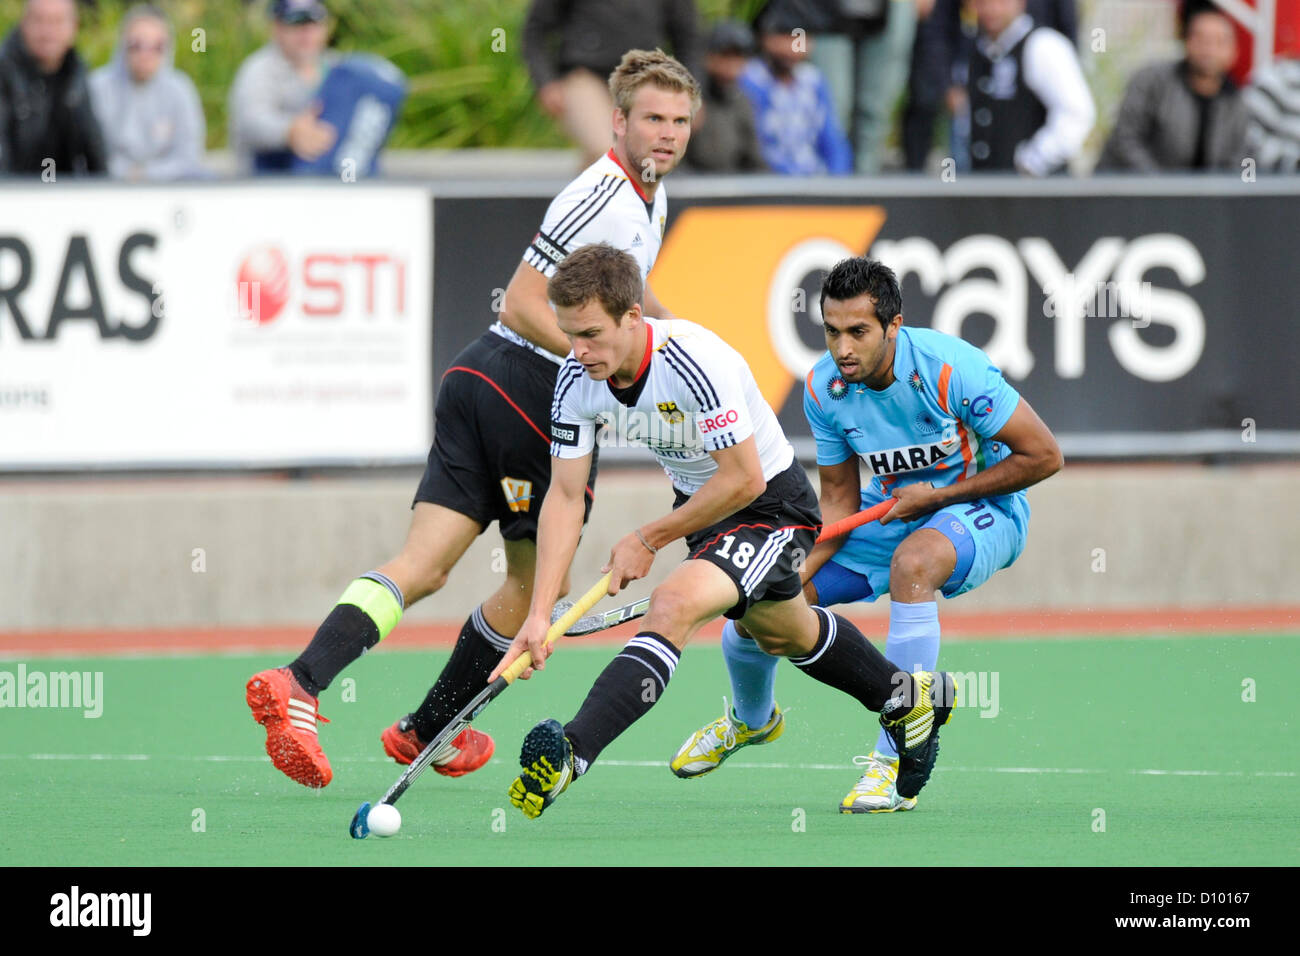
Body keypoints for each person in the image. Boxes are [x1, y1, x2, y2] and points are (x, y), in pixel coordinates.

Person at [244, 50, 698, 789]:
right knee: (530, 592)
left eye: (680, 120)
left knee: (422, 567)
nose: (667, 133)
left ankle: (303, 682)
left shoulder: (652, 199)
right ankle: (430, 725)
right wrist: (605, 365)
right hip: (524, 385)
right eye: (652, 118)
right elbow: (521, 302)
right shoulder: (604, 193)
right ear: (618, 122)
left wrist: (683, 344)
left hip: (474, 378)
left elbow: (631, 310)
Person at [491, 243, 958, 820]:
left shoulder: (693, 360)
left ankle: (573, 751)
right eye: (568, 334)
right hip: (705, 511)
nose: (578, 350)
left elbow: (742, 478)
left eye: (590, 333)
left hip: (769, 507)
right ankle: (903, 699)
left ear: (633, 316)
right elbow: (563, 496)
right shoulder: (575, 378)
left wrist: (650, 536)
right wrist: (540, 612)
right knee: (784, 633)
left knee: (672, 604)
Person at [672, 257, 1062, 812]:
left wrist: (937, 497)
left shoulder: (952, 370)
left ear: (893, 327)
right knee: (764, 612)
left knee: (914, 564)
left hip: (985, 506)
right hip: (886, 515)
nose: (843, 348)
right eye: (832, 332)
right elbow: (837, 502)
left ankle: (892, 757)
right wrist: (782, 572)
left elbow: (1046, 455)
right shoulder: (824, 388)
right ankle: (751, 721)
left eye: (858, 332)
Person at [524, 0, 702, 166]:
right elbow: (535, 31)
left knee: (641, 158)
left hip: (644, 82)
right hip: (585, 77)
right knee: (608, 152)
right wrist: (546, 82)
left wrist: (692, 93)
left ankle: (588, 195)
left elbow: (688, 39)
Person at [1097, 3, 1251, 172]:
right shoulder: (1151, 81)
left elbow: (1237, 160)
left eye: (1219, 42)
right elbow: (1125, 141)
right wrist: (1162, 187)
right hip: (1130, 190)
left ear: (1234, 52)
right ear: (1186, 41)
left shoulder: (1236, 103)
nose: (1209, 50)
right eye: (1201, 39)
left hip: (1199, 196)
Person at [964, 0, 1092, 175]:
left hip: (1038, 193)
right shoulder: (974, 49)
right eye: (982, 2)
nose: (992, 9)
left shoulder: (1043, 45)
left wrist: (1033, 160)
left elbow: (1076, 113)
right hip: (988, 188)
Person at [89, 3, 207, 181]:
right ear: (122, 45)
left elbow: (189, 156)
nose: (145, 55)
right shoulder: (97, 88)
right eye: (136, 46)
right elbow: (91, 153)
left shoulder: (180, 90)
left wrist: (146, 175)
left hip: (169, 190)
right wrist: (126, 174)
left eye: (156, 47)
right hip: (109, 188)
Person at [739, 4, 854, 175]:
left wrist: (837, 179)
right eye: (783, 37)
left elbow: (832, 139)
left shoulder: (813, 81)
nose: (791, 47)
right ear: (764, 38)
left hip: (815, 180)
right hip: (767, 181)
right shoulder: (751, 80)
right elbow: (755, 146)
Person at [227, 0, 339, 173]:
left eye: (313, 24)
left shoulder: (338, 67)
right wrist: (289, 132)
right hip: (265, 182)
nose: (306, 33)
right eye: (296, 23)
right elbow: (252, 122)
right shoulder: (258, 69)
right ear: (276, 28)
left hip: (324, 177)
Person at [0, 0, 105, 177]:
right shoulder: (4, 73)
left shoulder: (76, 73)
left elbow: (93, 145)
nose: (48, 32)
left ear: (74, 27)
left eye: (57, 21)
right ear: (24, 23)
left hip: (61, 192)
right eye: (39, 20)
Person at [681, 19, 765, 172]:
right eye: (725, 55)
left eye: (738, 56)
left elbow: (754, 159)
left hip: (732, 186)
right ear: (708, 56)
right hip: (692, 184)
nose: (731, 64)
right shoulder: (688, 102)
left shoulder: (742, 102)